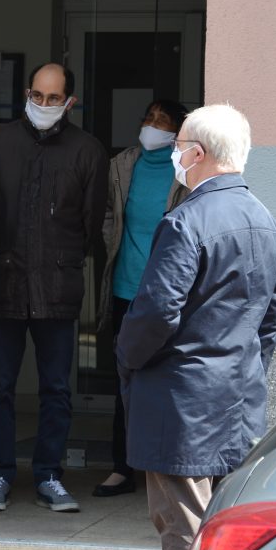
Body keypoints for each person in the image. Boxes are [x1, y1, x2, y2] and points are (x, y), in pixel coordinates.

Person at [115, 103, 276, 550]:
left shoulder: (185, 221)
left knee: (185, 531)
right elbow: (270, 317)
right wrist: (244, 369)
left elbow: (155, 312)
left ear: (198, 153)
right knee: (228, 529)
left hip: (180, 401)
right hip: (238, 397)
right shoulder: (264, 219)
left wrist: (126, 357)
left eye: (178, 145)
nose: (174, 153)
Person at [0, 63, 108, 513]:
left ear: (69, 101)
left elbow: (92, 226)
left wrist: (60, 259)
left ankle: (49, 475)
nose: (45, 105)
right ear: (26, 94)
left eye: (54, 98)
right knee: (0, 388)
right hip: (3, 283)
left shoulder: (87, 150)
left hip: (57, 286)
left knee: (57, 389)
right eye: (38, 95)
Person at [94, 99, 189, 498]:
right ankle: (122, 466)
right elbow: (109, 216)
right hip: (125, 289)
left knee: (167, 381)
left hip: (166, 293)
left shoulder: (185, 170)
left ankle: (167, 468)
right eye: (147, 118)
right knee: (126, 378)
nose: (151, 127)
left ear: (177, 132)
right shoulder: (122, 164)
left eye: (161, 122)